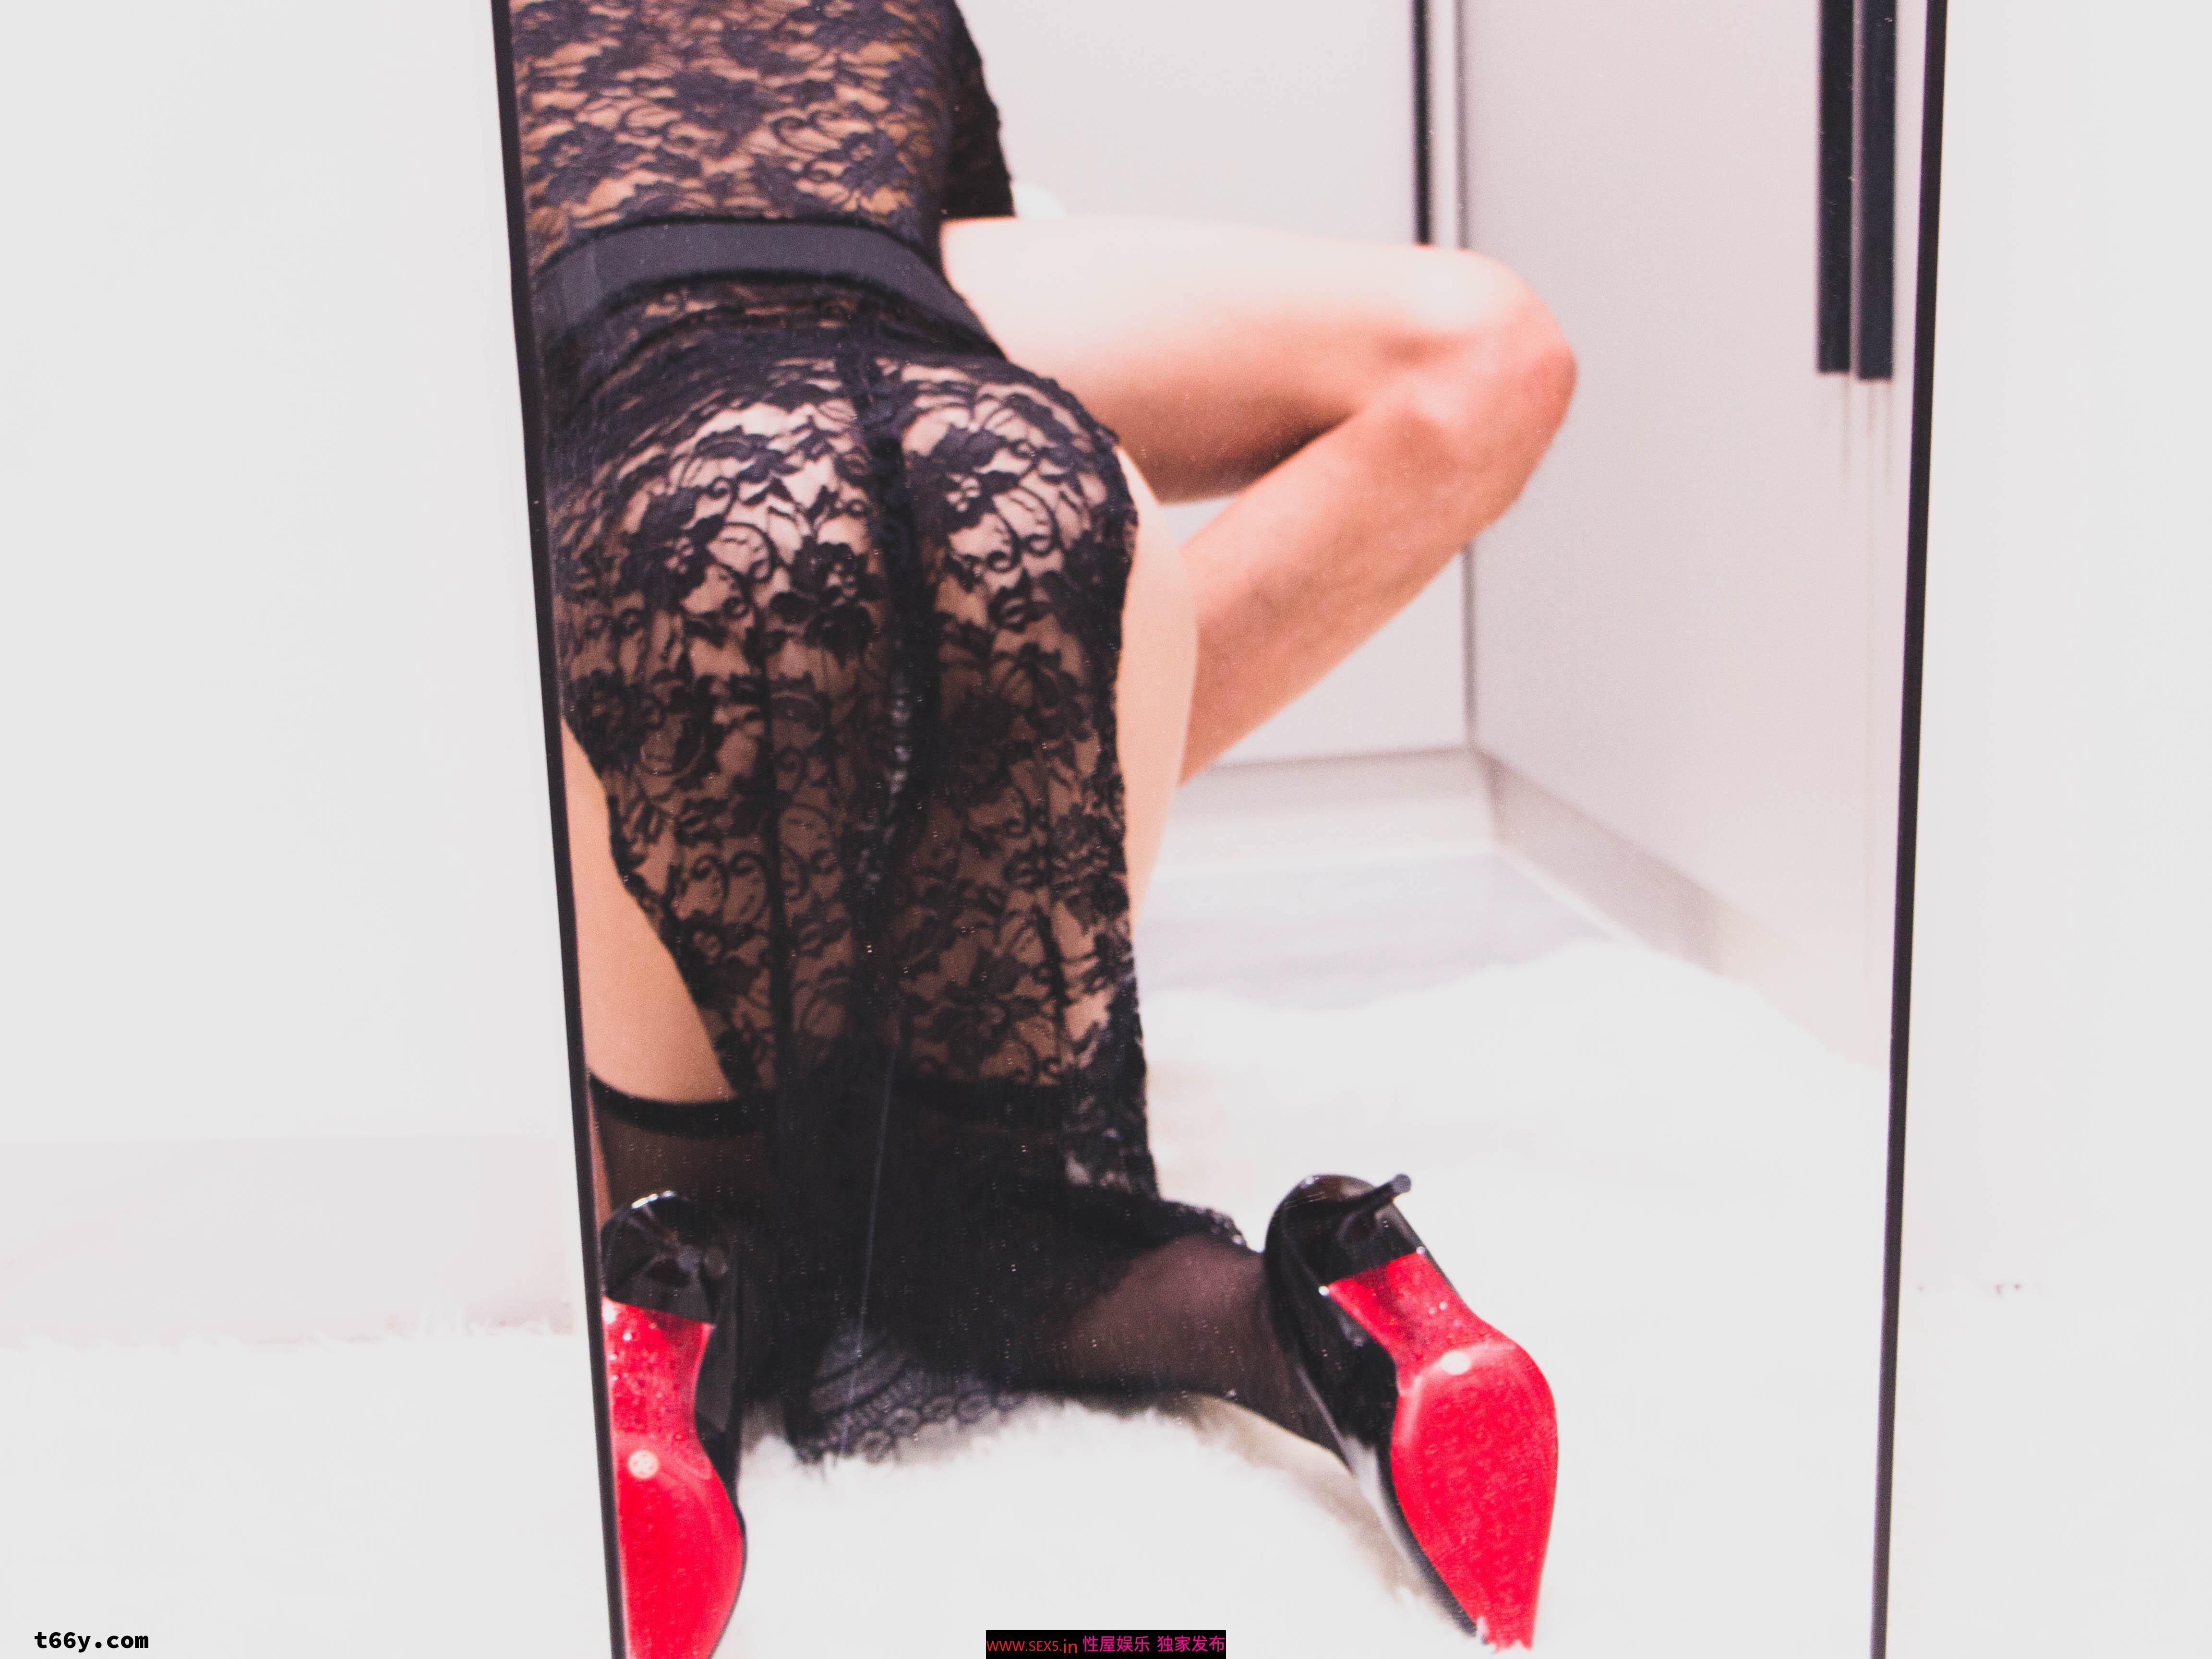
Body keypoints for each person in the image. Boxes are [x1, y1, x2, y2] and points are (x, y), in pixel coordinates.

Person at [502, 1, 1575, 1651]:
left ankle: (682, 1310)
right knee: (1005, 1234)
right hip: (1008, 459)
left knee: (706, 1207)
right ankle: (1311, 1306)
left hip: (663, 429)